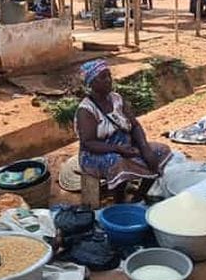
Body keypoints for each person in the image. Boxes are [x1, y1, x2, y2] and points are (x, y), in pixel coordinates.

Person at [74, 60, 172, 202]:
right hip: (96, 154)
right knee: (118, 162)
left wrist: (144, 148)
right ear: (92, 83)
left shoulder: (117, 99)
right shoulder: (86, 110)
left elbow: (135, 126)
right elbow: (89, 143)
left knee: (160, 151)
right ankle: (119, 200)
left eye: (109, 76)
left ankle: (139, 196)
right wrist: (118, 149)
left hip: (125, 146)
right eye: (103, 77)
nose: (108, 80)